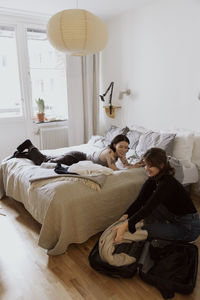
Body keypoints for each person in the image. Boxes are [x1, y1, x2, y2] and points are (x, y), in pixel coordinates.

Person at [114, 147, 200, 244]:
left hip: (188, 227)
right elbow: (140, 200)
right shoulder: (154, 177)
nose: (146, 168)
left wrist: (127, 225)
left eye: (150, 166)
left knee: (144, 230)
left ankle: (176, 233)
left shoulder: (167, 183)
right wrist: (125, 216)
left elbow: (149, 207)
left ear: (161, 165)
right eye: (146, 164)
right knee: (146, 203)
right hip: (174, 215)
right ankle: (165, 227)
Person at [9, 135, 144, 170]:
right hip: (76, 157)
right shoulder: (109, 152)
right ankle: (29, 145)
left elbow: (126, 165)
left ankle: (23, 155)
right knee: (45, 162)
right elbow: (115, 170)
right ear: (114, 145)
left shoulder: (121, 154)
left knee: (47, 157)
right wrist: (128, 169)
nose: (124, 150)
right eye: (121, 146)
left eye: (126, 147)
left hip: (77, 156)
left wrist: (136, 165)